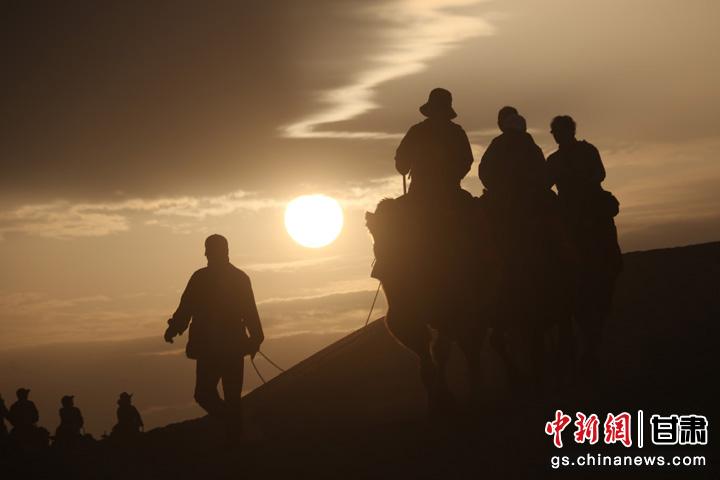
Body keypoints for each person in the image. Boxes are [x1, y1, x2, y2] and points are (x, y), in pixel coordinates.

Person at [164, 234, 264, 436]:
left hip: (214, 348)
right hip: (227, 347)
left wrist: (256, 338)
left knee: (208, 394)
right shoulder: (235, 278)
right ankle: (234, 429)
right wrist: (255, 339)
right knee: (223, 397)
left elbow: (186, 308)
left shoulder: (203, 278)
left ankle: (233, 435)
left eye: (209, 250)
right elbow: (187, 308)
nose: (207, 254)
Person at [546, 115, 622, 375]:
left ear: (568, 131)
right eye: (555, 132)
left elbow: (598, 175)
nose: (557, 135)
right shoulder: (559, 158)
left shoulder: (578, 154)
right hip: (574, 208)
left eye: (558, 131)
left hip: (580, 207)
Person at [395, 88, 474, 203]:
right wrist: (453, 177)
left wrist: (403, 166)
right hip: (450, 192)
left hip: (420, 192)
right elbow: (467, 160)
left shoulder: (416, 131)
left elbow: (401, 161)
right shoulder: (457, 132)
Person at [478, 106, 547, 207]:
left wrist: (496, 190)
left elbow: (484, 170)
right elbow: (542, 171)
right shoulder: (530, 145)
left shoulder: (498, 144)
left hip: (503, 199)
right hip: (528, 199)